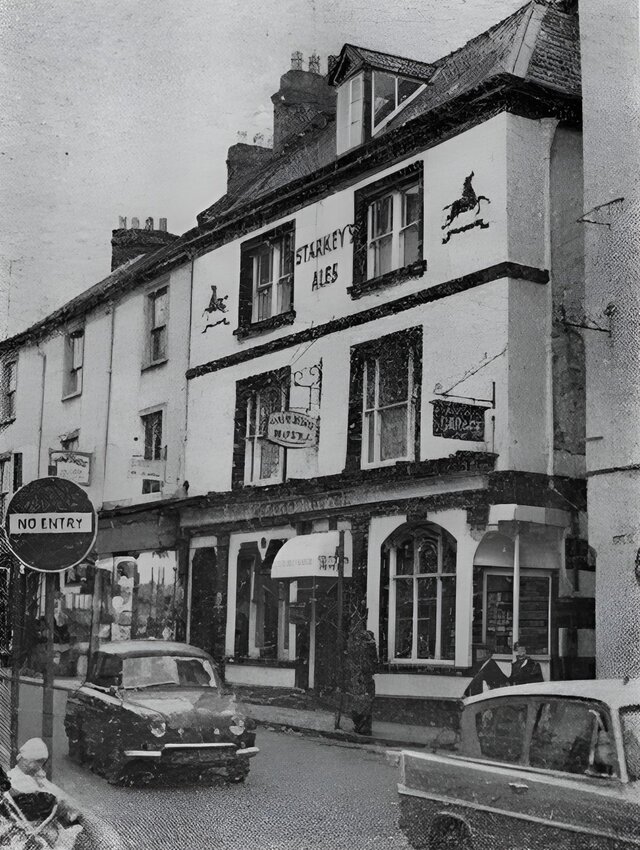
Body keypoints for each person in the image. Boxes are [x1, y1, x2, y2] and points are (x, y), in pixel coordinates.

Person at [343, 620, 378, 736]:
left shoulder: (357, 645)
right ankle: (365, 728)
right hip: (366, 679)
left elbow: (355, 663)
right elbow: (373, 665)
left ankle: (361, 727)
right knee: (366, 705)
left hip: (360, 680)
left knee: (359, 704)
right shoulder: (371, 646)